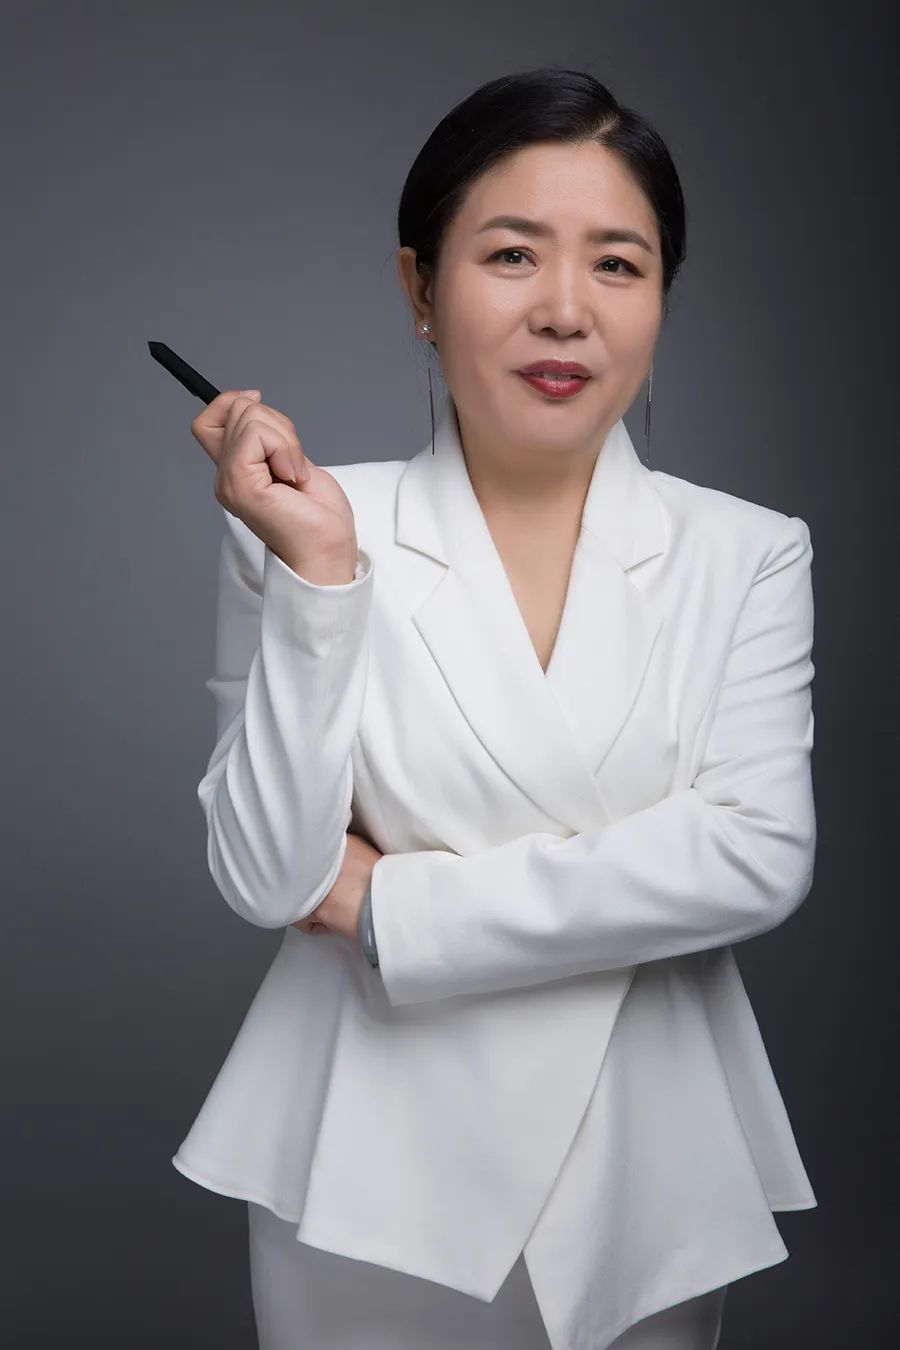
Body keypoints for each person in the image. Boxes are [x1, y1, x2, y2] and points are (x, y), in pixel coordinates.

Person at [173, 66, 817, 1350]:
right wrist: (323, 577)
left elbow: (757, 857)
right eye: (513, 254)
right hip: (365, 1160)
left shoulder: (748, 551)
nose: (565, 309)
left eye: (618, 264)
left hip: (643, 1158)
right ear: (421, 288)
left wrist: (391, 910)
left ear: (661, 297)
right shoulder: (313, 525)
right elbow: (268, 878)